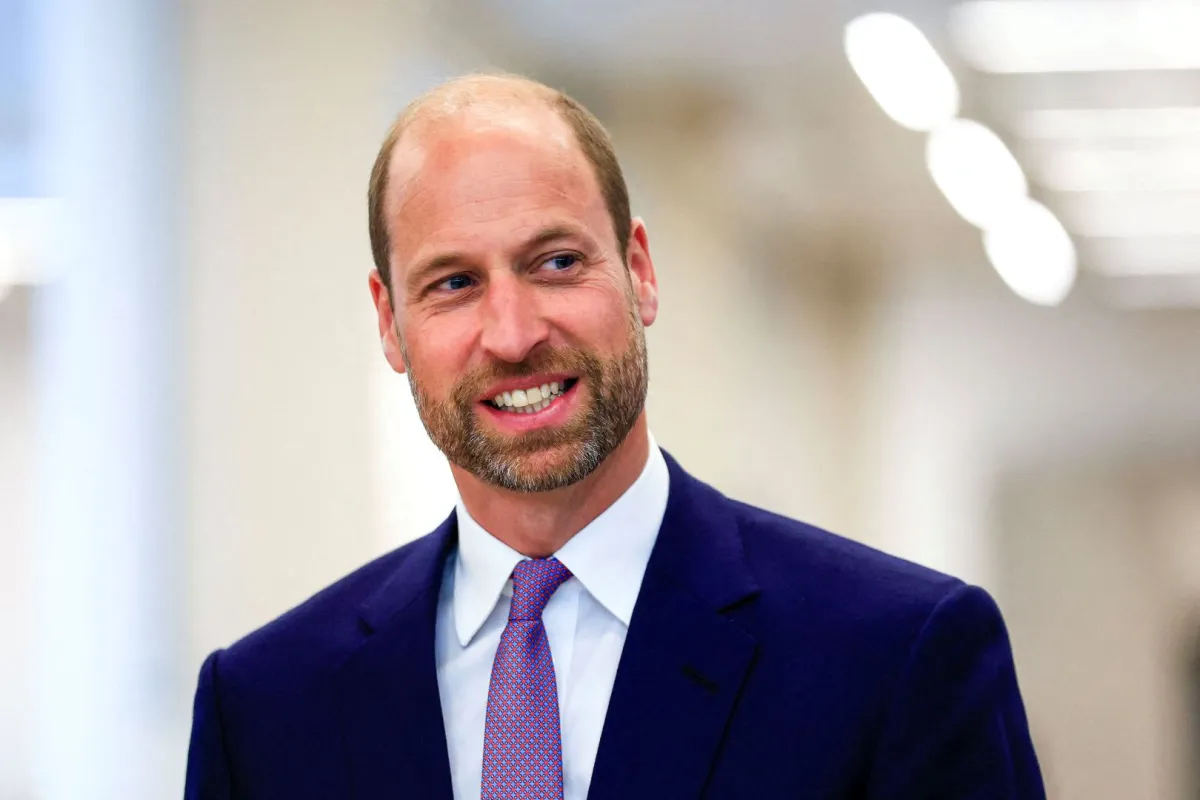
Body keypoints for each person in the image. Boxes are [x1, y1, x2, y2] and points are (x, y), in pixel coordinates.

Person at [184, 73, 1045, 799]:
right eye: (453, 282)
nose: (514, 333)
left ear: (639, 271)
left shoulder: (896, 658)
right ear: (390, 323)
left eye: (556, 262)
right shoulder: (262, 708)